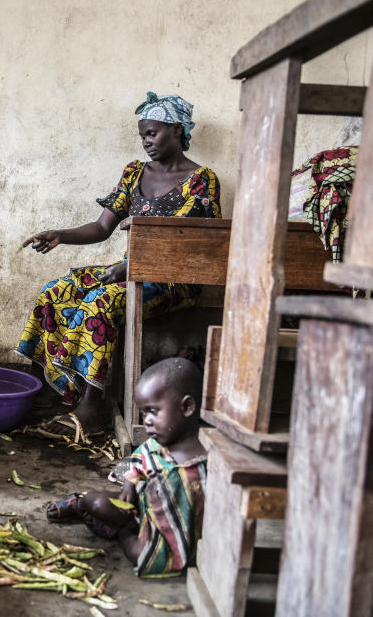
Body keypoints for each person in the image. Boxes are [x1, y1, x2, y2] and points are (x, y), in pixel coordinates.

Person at [16, 91, 221, 435]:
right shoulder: (134, 173)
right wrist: (60, 235)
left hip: (174, 279)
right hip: (132, 270)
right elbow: (101, 227)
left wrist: (130, 269)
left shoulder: (202, 181)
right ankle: (46, 391)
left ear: (176, 129)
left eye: (152, 133)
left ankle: (93, 407)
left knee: (102, 301)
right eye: (142, 134)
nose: (146, 141)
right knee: (55, 291)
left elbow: (199, 244)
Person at [45, 357, 207, 578]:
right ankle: (80, 503)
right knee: (97, 501)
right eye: (144, 413)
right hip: (141, 509)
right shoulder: (159, 442)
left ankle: (120, 532)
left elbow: (183, 522)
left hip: (166, 532)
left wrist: (125, 532)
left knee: (138, 554)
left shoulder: (200, 469)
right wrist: (130, 482)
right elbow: (138, 461)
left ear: (187, 407)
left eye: (153, 411)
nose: (146, 421)